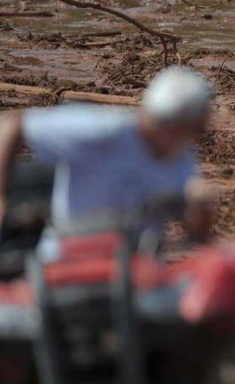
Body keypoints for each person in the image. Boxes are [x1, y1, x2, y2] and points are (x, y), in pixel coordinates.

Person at [0, 65, 216, 249]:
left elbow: (195, 240)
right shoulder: (103, 132)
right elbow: (12, 127)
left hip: (134, 269)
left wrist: (200, 215)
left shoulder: (181, 160)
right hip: (69, 256)